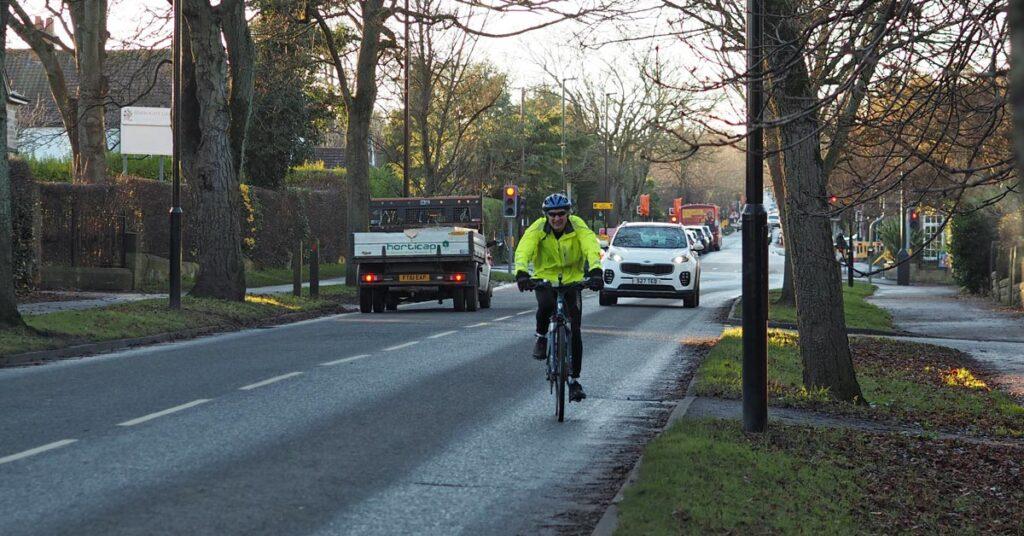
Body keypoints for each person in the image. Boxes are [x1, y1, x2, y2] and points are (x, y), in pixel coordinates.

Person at [514, 193, 604, 402]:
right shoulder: (538, 227)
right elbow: (524, 249)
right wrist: (521, 273)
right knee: (545, 306)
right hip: (545, 279)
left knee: (575, 330)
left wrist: (595, 271)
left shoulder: (578, 225)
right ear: (546, 215)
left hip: (572, 281)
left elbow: (591, 246)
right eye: (552, 214)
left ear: (568, 213)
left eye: (561, 214)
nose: (557, 218)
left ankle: (574, 380)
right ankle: (541, 336)